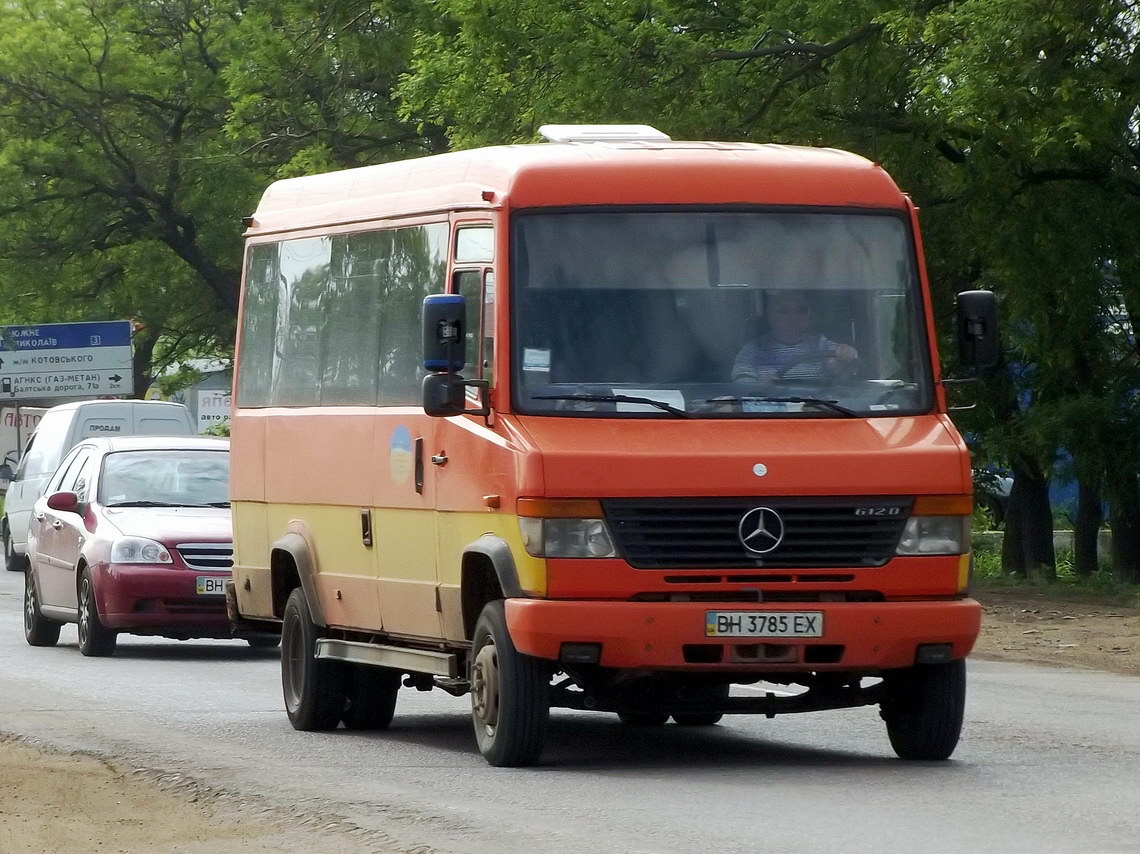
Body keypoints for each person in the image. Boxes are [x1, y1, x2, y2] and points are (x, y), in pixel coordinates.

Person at [732, 290, 858, 383]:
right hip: (771, 413)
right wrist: (758, 385)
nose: (793, 317)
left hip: (819, 411)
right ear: (770, 315)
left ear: (810, 315)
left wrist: (845, 356)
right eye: (783, 310)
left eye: (801, 310)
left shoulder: (821, 343)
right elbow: (742, 384)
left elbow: (848, 370)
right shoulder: (753, 349)